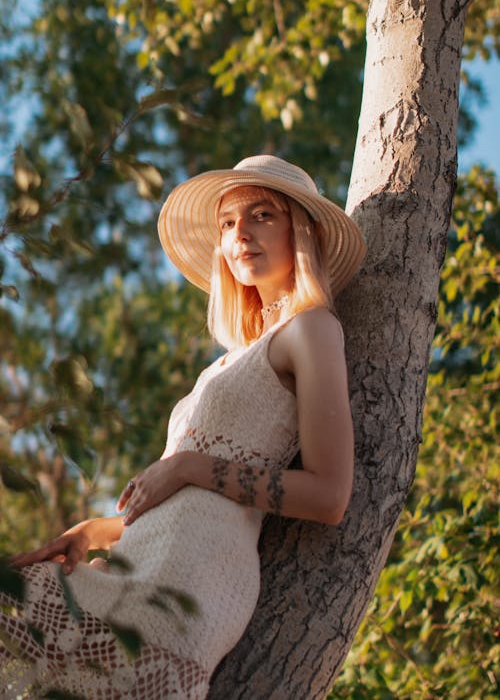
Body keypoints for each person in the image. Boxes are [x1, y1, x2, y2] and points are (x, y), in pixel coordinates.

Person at [0, 155, 366, 699]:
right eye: (227, 223)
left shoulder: (311, 330)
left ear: (303, 230)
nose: (240, 233)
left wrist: (190, 464)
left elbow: (330, 496)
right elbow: (180, 493)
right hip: (136, 563)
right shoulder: (227, 362)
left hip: (191, 583)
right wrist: (96, 531)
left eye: (262, 215)